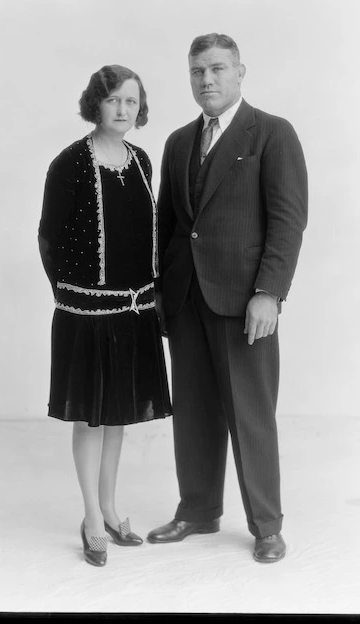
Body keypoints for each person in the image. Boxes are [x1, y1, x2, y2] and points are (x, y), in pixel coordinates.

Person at [148, 33, 308, 563]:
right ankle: (198, 511)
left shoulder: (273, 133)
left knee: (250, 414)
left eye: (217, 69)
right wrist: (158, 292)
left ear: (241, 71)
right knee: (193, 410)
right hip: (185, 300)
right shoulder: (176, 142)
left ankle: (266, 525)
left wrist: (269, 293)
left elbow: (288, 222)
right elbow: (168, 226)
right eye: (197, 71)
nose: (206, 80)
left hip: (245, 304)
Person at [38, 65, 172, 568]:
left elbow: (144, 235)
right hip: (86, 313)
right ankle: (91, 515)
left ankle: (112, 507)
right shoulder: (70, 162)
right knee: (91, 417)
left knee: (118, 416)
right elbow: (48, 237)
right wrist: (72, 298)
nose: (123, 109)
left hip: (133, 311)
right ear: (96, 103)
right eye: (114, 100)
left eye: (131, 102)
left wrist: (148, 295)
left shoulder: (140, 159)